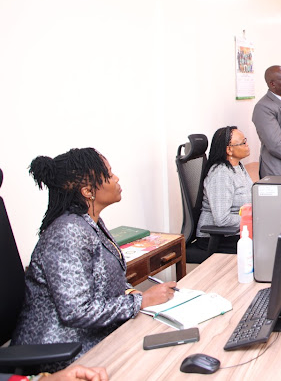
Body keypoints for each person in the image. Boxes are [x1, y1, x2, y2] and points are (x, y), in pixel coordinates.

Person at [12, 148, 175, 371]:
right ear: (88, 191)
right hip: (61, 349)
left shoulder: (89, 222)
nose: (116, 178)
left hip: (90, 335)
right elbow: (76, 312)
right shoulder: (67, 232)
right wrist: (140, 301)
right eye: (108, 175)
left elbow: (100, 280)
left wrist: (130, 292)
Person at [196, 126, 253, 253]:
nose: (247, 145)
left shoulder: (238, 167)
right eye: (243, 143)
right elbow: (222, 219)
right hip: (217, 237)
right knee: (268, 246)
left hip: (235, 231)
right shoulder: (221, 174)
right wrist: (253, 219)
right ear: (229, 150)